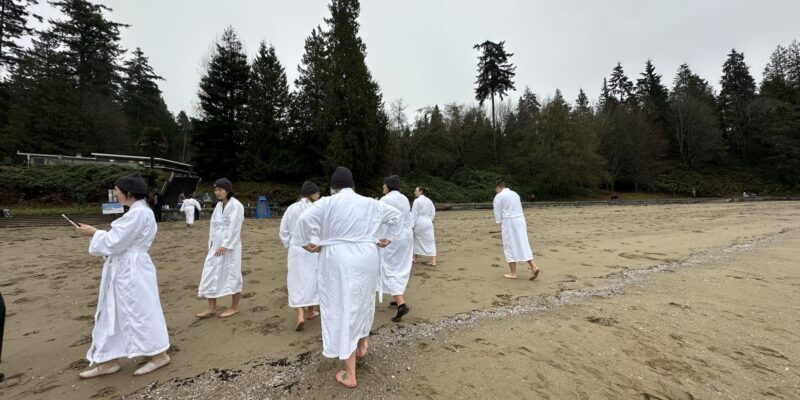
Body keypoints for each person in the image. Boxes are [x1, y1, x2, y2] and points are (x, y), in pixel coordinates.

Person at [293, 166, 401, 389]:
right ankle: (361, 343)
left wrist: (307, 245)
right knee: (362, 303)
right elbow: (396, 216)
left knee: (341, 308)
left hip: (339, 260)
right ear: (353, 185)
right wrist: (387, 237)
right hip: (367, 257)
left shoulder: (327, 202)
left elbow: (303, 220)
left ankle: (350, 373)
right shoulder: (370, 203)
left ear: (333, 187)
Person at [74, 172, 170, 378]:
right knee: (113, 311)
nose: (115, 194)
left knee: (140, 309)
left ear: (128, 193)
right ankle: (109, 359)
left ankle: (159, 355)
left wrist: (93, 233)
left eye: (116, 191)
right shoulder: (140, 212)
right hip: (127, 266)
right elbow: (119, 241)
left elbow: (115, 241)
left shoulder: (138, 214)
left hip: (132, 269)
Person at [196, 178, 245, 319]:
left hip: (231, 245)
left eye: (220, 189)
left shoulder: (236, 205)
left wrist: (226, 244)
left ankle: (234, 307)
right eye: (216, 190)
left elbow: (235, 226)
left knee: (233, 273)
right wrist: (211, 243)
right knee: (210, 271)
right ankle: (212, 307)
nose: (217, 192)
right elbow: (214, 225)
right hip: (216, 244)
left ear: (228, 190)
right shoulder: (218, 206)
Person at [279, 181, 322, 331]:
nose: (319, 195)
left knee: (296, 280)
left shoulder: (291, 209)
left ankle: (300, 314)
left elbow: (283, 230)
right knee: (313, 279)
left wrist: (289, 243)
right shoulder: (317, 208)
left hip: (297, 248)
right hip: (314, 247)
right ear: (311, 194)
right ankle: (311, 311)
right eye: (317, 193)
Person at [379, 175, 414, 322]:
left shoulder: (385, 200)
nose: (383, 187)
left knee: (388, 267)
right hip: (407, 235)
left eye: (384, 185)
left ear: (388, 186)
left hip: (394, 236)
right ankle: (397, 294)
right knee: (401, 266)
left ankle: (401, 303)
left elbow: (379, 218)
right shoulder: (404, 198)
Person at [493, 181, 541, 280]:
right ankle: (533, 266)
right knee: (523, 243)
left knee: (509, 245)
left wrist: (499, 222)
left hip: (509, 222)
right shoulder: (515, 194)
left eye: (495, 189)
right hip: (520, 220)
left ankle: (513, 273)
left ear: (498, 187)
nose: (495, 191)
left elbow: (497, 212)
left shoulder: (499, 196)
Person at [411, 186, 437, 266]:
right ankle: (433, 260)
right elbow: (433, 211)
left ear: (421, 191)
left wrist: (412, 225)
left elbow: (414, 214)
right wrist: (430, 219)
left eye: (416, 190)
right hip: (428, 222)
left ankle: (416, 257)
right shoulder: (429, 200)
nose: (415, 192)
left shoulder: (417, 201)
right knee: (430, 240)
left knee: (416, 239)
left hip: (419, 222)